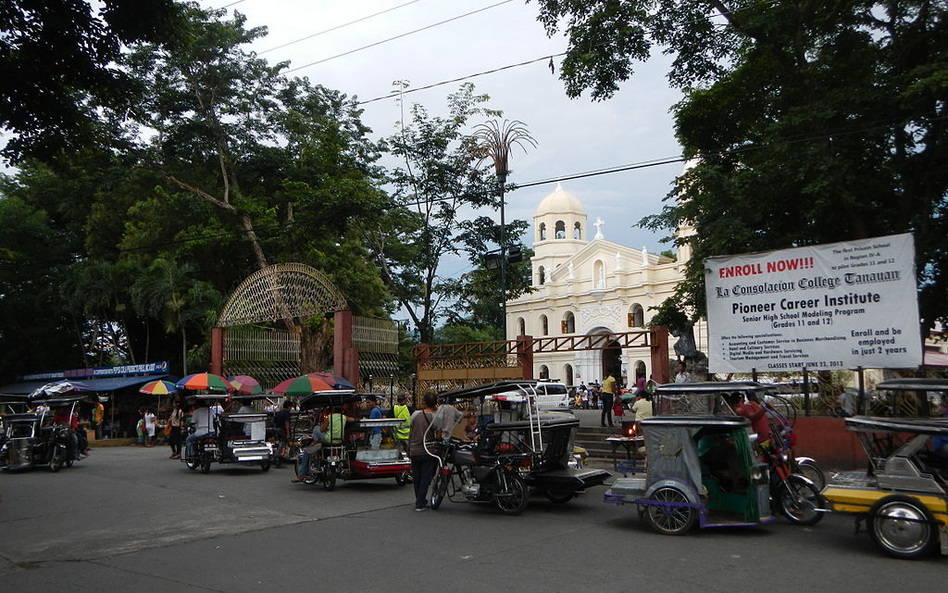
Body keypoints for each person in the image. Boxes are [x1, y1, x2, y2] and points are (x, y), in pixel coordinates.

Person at [408, 393, 439, 511]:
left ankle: (419, 500)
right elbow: (439, 435)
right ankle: (420, 503)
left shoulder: (415, 414)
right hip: (428, 450)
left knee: (417, 477)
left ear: (424, 402)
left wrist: (409, 448)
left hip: (414, 450)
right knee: (425, 477)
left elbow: (411, 432)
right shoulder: (436, 417)